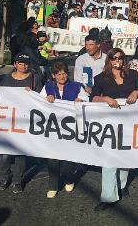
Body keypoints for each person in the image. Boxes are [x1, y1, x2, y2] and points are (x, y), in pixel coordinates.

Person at [90, 48, 138, 211]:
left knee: (125, 154)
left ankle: (121, 185)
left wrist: (136, 92)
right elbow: (92, 98)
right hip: (109, 122)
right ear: (109, 60)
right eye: (114, 58)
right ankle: (108, 196)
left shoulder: (132, 75)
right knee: (108, 158)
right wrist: (105, 98)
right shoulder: (101, 78)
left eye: (120, 58)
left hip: (129, 121)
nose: (117, 61)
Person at [40, 61, 88, 198]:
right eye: (59, 74)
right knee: (53, 158)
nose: (62, 76)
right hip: (53, 127)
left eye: (64, 73)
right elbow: (39, 102)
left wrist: (81, 100)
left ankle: (68, 179)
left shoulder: (77, 86)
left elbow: (86, 100)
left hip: (71, 126)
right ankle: (53, 186)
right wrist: (46, 99)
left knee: (68, 156)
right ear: (54, 75)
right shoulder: (48, 86)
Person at [0, 53, 43, 193]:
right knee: (4, 152)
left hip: (25, 120)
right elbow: (0, 96)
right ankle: (4, 177)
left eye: (26, 63)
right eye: (20, 63)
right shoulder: (6, 79)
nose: (23, 66)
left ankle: (17, 180)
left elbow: (41, 98)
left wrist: (33, 93)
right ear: (15, 64)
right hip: (8, 120)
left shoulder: (35, 78)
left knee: (20, 153)